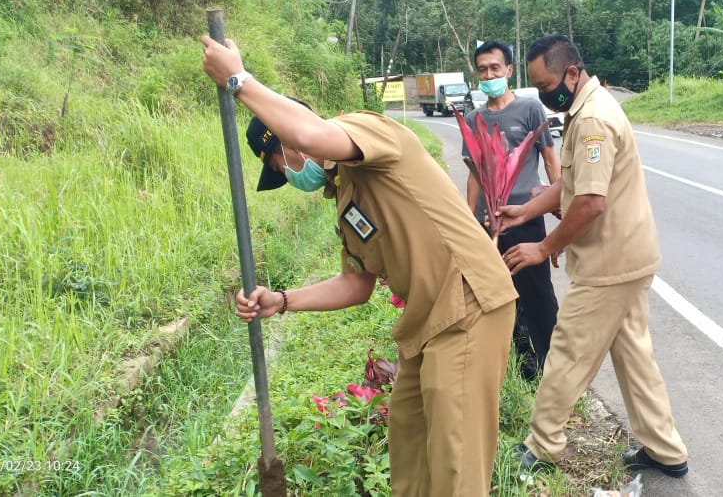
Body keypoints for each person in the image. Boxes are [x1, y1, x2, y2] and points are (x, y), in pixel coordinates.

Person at [201, 35, 518, 496]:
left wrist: (237, 79)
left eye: (279, 162)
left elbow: (311, 133)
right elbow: (356, 284)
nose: (289, 176)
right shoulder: (344, 190)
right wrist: (282, 301)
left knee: (456, 465)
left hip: (468, 305)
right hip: (425, 322)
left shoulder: (367, 131)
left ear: (288, 141)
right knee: (409, 447)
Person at [497, 34, 689, 478]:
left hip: (609, 265)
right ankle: (665, 450)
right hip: (629, 256)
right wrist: (527, 208)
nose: (546, 96)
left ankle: (543, 444)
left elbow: (589, 203)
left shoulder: (592, 121)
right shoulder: (586, 107)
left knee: (567, 351)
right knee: (634, 356)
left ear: (571, 72)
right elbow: (571, 185)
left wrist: (546, 246)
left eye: (547, 85)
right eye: (538, 88)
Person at [462, 40, 560, 382]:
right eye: (482, 69)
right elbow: (475, 174)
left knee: (538, 294)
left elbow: (550, 160)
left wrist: (559, 207)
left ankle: (554, 365)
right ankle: (524, 365)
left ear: (508, 70)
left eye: (494, 68)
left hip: (527, 219)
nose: (489, 74)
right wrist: (470, 220)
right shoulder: (474, 119)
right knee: (502, 297)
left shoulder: (531, 109)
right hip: (490, 225)